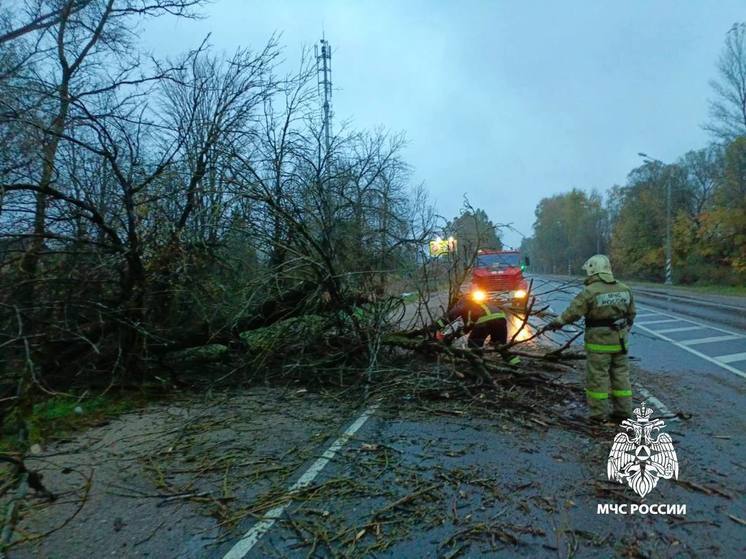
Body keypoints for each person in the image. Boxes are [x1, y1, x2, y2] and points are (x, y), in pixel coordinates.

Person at [547, 254, 635, 422]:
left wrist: (556, 323)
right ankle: (623, 413)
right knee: (621, 377)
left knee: (598, 379)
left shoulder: (590, 292)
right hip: (620, 343)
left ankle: (598, 415)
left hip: (599, 345)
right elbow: (631, 315)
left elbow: (572, 314)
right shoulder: (625, 289)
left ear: (592, 270)